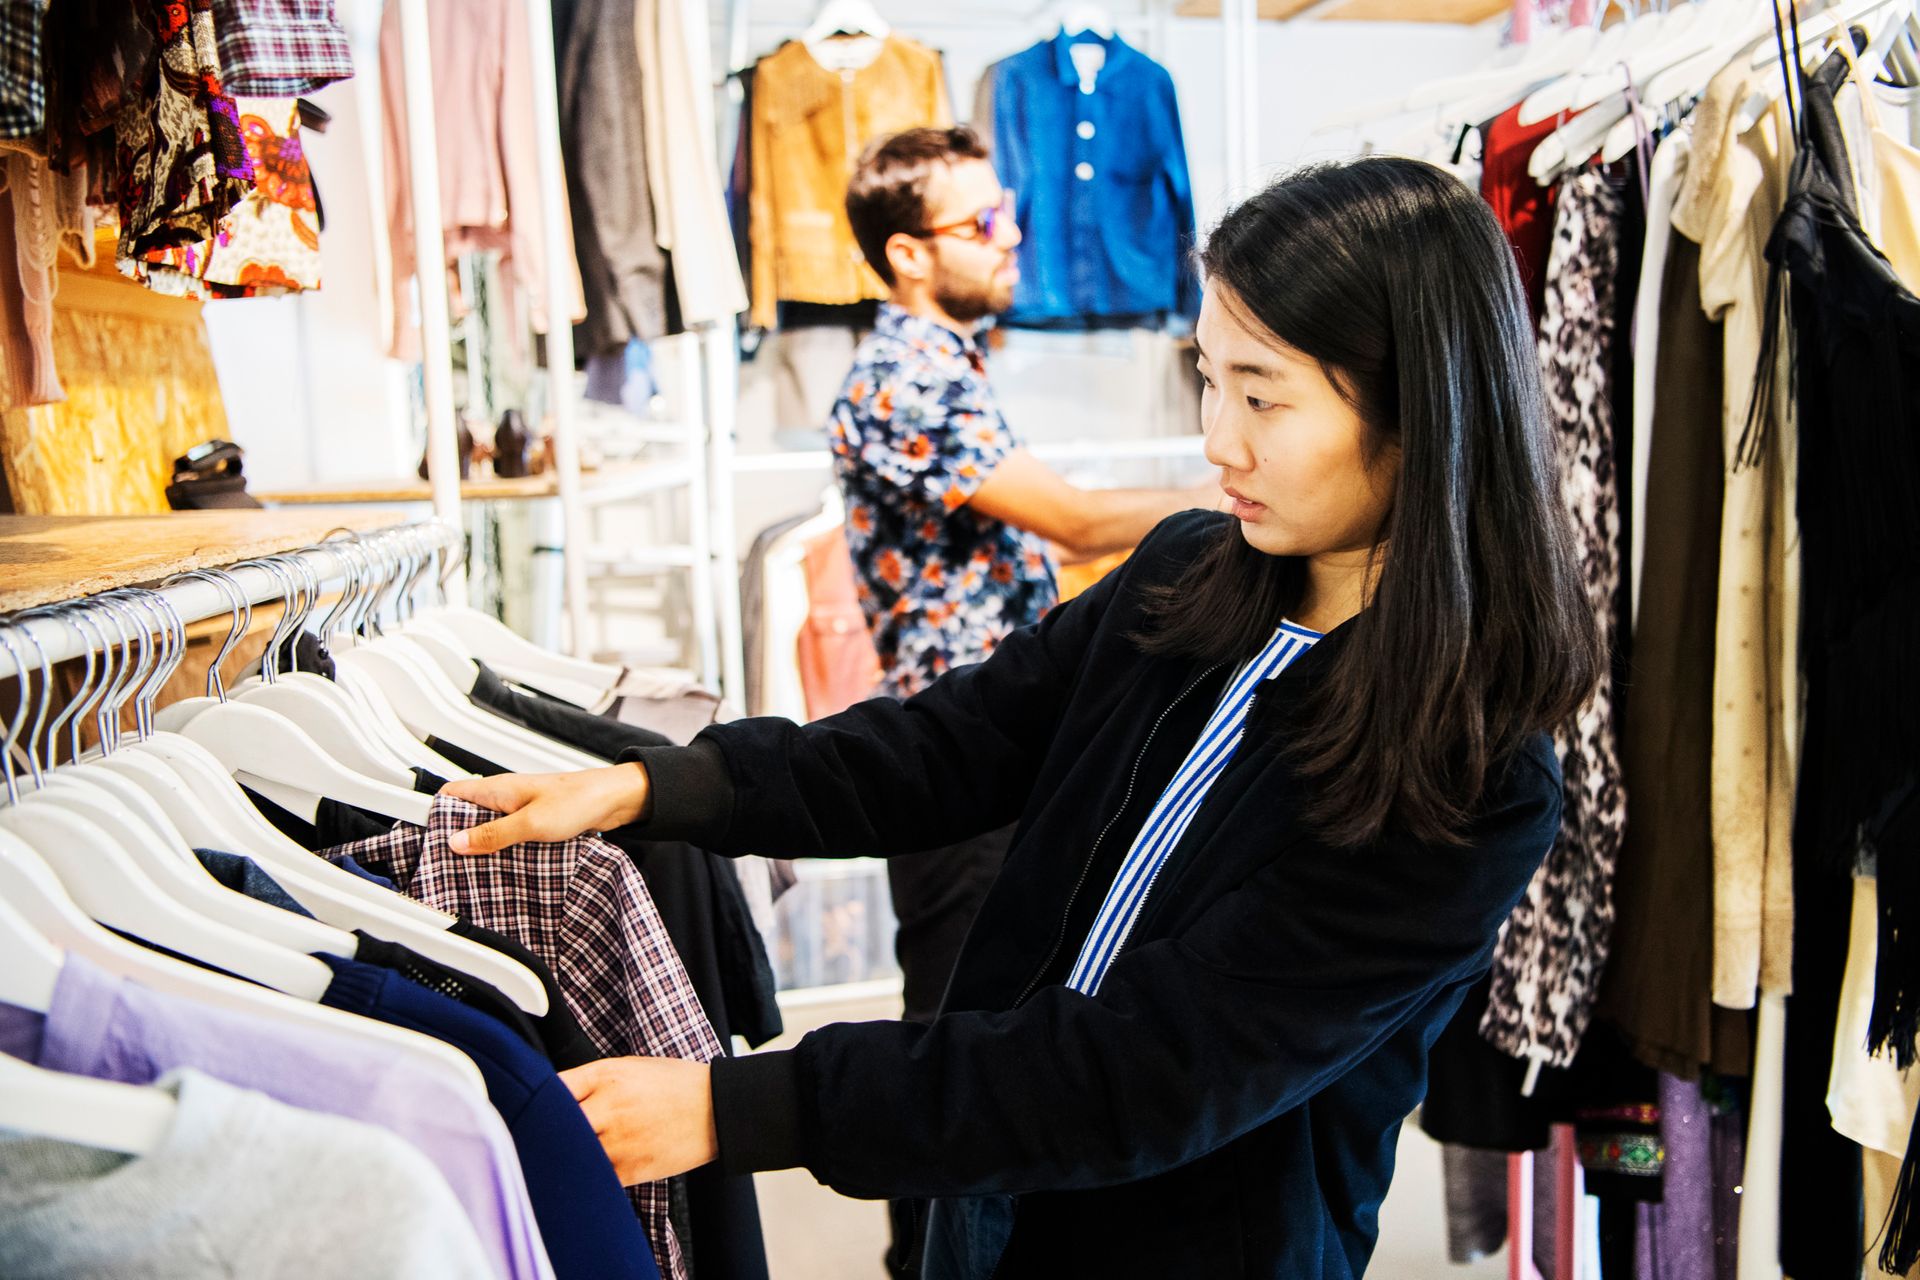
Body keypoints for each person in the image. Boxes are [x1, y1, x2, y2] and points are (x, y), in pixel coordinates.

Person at [445, 156, 1601, 1278]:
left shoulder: (1473, 774)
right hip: (988, 1188)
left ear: (1424, 415)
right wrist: (662, 783)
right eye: (1209, 377)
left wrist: (744, 1104)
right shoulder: (1188, 575)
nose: (1218, 439)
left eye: (1263, 395)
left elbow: (1149, 1073)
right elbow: (946, 744)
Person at [828, 125, 1213, 1271]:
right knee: (953, 1038)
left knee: (989, 1026)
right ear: (907, 254)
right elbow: (1082, 523)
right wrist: (1246, 493)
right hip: (955, 770)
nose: (1013, 238)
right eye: (982, 222)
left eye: (1009, 212)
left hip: (991, 753)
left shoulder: (951, 362)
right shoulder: (903, 377)